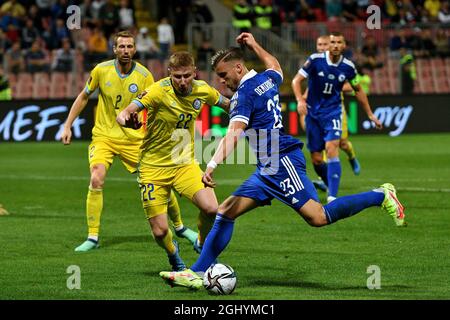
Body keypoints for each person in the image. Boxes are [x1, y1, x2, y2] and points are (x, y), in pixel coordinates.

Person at [159, 32, 406, 290]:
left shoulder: (245, 93)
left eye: (223, 75)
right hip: (269, 166)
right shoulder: (266, 78)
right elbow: (275, 64)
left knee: (318, 217)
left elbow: (234, 133)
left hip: (280, 161)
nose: (221, 82)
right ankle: (198, 272)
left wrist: (211, 166)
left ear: (239, 67)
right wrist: (255, 45)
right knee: (226, 211)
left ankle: (381, 195)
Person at [61, 31, 197, 262]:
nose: (125, 50)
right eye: (121, 46)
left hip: (135, 140)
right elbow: (84, 96)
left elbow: (155, 104)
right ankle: (92, 237)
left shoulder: (144, 75)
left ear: (135, 49)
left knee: (160, 181)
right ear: (114, 49)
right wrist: (67, 125)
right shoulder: (100, 71)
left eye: (129, 46)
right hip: (104, 136)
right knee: (96, 177)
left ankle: (181, 228)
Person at [116, 51, 230, 271]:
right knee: (159, 231)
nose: (183, 81)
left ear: (194, 72)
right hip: (152, 168)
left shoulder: (202, 89)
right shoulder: (158, 91)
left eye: (187, 75)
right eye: (177, 76)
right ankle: (172, 252)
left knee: (212, 209)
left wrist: (249, 109)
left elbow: (227, 104)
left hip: (183, 162)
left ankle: (201, 243)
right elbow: (127, 111)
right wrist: (126, 120)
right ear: (169, 74)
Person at [291, 32, 382, 203]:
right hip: (313, 114)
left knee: (333, 147)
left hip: (333, 112)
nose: (334, 45)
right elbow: (296, 81)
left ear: (343, 46)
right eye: (332, 42)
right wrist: (299, 100)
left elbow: (358, 90)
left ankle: (332, 196)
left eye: (338, 42)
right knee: (317, 159)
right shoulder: (315, 60)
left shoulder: (348, 67)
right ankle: (329, 182)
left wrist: (370, 114)